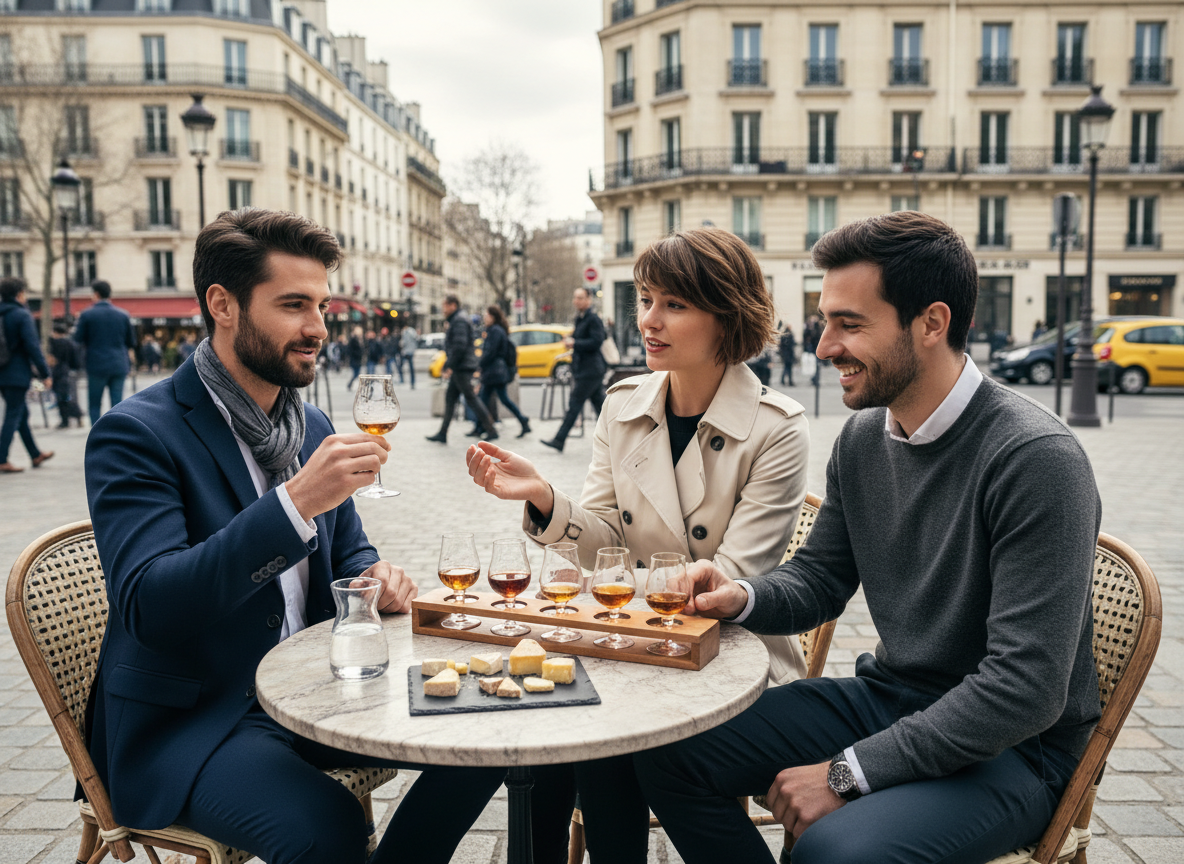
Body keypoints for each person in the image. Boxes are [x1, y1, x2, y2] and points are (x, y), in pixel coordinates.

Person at [634, 212, 1103, 864]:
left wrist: (846, 772)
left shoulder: (1034, 458)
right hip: (890, 699)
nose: (824, 347)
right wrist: (737, 593)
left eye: (849, 325)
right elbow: (821, 578)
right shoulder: (862, 438)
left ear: (932, 324)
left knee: (834, 851)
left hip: (1019, 752)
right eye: (826, 321)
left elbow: (1024, 689)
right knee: (662, 750)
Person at [82, 208, 504, 864]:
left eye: (322, 305)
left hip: (316, 688)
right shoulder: (137, 433)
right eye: (294, 305)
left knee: (485, 733)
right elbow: (150, 605)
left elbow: (350, 548)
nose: (318, 328)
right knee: (323, 825)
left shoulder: (306, 423)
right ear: (223, 305)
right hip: (202, 719)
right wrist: (294, 502)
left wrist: (375, 576)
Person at [465, 227, 810, 863]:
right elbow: (602, 541)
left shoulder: (775, 429)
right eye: (646, 299)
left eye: (674, 305)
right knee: (562, 724)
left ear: (728, 315)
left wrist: (620, 582)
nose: (649, 320)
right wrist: (543, 496)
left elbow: (725, 582)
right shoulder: (624, 405)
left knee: (605, 732)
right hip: (633, 644)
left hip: (730, 661)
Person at [541, 287, 607, 453]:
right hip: (585, 369)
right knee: (602, 408)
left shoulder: (592, 319)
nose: (575, 301)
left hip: (590, 370)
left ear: (588, 300)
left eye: (579, 298)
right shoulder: (580, 319)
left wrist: (574, 343)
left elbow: (597, 341)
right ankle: (617, 439)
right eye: (575, 297)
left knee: (575, 405)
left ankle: (559, 439)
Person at [425, 294, 497, 443]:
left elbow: (459, 346)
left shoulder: (459, 321)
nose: (443, 309)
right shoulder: (458, 319)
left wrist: (448, 364)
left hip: (462, 367)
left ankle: (491, 429)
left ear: (453, 305)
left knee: (471, 398)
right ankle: (443, 433)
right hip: (461, 366)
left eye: (445, 305)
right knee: (451, 399)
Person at [0, 277, 52, 472]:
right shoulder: (21, 315)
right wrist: (45, 373)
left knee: (21, 413)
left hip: (2, 372)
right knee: (13, 414)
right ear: (20, 294)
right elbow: (32, 346)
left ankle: (35, 454)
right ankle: (1, 458)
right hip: (17, 373)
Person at [73, 279, 136, 425]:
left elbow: (78, 339)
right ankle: (116, 434)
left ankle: (97, 434)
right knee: (117, 403)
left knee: (95, 404)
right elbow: (131, 342)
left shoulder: (87, 315)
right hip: (119, 363)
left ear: (95, 294)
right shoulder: (123, 315)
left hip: (96, 364)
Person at [469, 305, 530, 439]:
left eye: (486, 316)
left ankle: (484, 428)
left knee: (487, 400)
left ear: (493, 317)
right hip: (495, 371)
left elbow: (490, 352)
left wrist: (479, 365)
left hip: (494, 372)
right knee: (490, 400)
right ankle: (480, 427)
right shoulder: (496, 330)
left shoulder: (495, 331)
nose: (485, 318)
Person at [49, 322, 83, 428]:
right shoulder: (72, 343)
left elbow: (53, 359)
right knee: (68, 396)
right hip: (69, 372)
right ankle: (78, 417)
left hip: (59, 372)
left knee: (62, 398)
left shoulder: (56, 343)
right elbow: (77, 361)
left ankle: (65, 420)